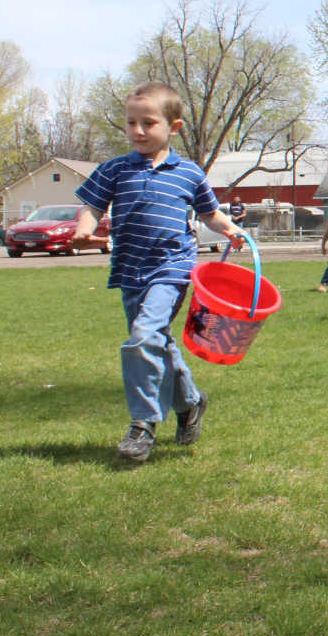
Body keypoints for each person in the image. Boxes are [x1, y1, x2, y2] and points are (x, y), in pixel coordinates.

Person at [72, 81, 245, 463]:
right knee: (157, 343)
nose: (137, 131)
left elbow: (210, 214)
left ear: (174, 127)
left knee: (143, 338)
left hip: (172, 268)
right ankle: (190, 403)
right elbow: (92, 206)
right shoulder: (115, 169)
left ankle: (143, 424)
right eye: (131, 122)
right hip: (130, 271)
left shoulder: (188, 173)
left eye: (148, 123)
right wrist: (84, 229)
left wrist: (231, 230)